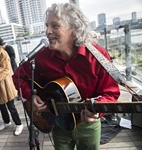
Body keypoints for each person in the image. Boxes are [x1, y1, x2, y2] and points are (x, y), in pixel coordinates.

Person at [12, 3, 120, 150]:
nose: (47, 31)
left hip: (88, 125)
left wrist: (97, 110)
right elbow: (18, 76)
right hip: (57, 123)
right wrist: (29, 95)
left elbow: (111, 93)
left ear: (74, 29)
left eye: (54, 26)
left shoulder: (98, 56)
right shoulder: (41, 57)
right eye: (47, 25)